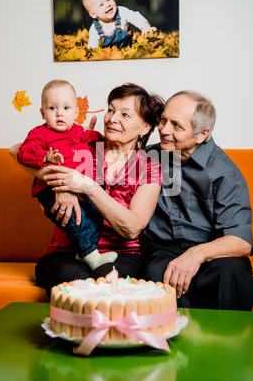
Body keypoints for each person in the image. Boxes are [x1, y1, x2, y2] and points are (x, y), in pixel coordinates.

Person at [10, 83, 164, 297]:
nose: (112, 118)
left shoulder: (150, 167)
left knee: (107, 283)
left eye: (125, 114)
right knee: (72, 280)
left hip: (121, 253)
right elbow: (16, 150)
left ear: (145, 127)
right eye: (111, 110)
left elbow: (132, 228)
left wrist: (87, 186)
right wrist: (59, 180)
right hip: (67, 252)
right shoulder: (84, 145)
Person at [143, 90, 253, 311]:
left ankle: (222, 344)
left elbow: (241, 241)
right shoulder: (148, 157)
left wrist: (197, 254)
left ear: (201, 134)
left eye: (176, 126)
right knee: (159, 275)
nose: (164, 130)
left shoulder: (225, 172)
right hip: (162, 250)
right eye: (164, 120)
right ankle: (175, 342)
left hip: (214, 251)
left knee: (229, 275)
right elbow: (107, 164)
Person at [17, 79, 118, 270]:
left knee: (96, 214)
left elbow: (92, 137)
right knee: (75, 219)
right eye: (52, 108)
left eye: (66, 108)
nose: (60, 114)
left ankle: (83, 252)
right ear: (42, 113)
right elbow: (23, 152)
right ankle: (91, 255)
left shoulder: (77, 131)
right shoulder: (40, 133)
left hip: (79, 187)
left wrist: (103, 138)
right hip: (50, 191)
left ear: (76, 113)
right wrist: (45, 155)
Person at [82, 0, 157, 49]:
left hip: (127, 48)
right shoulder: (95, 28)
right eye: (101, 5)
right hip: (109, 56)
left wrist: (144, 26)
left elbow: (135, 16)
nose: (108, 4)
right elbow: (92, 47)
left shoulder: (121, 12)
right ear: (93, 14)